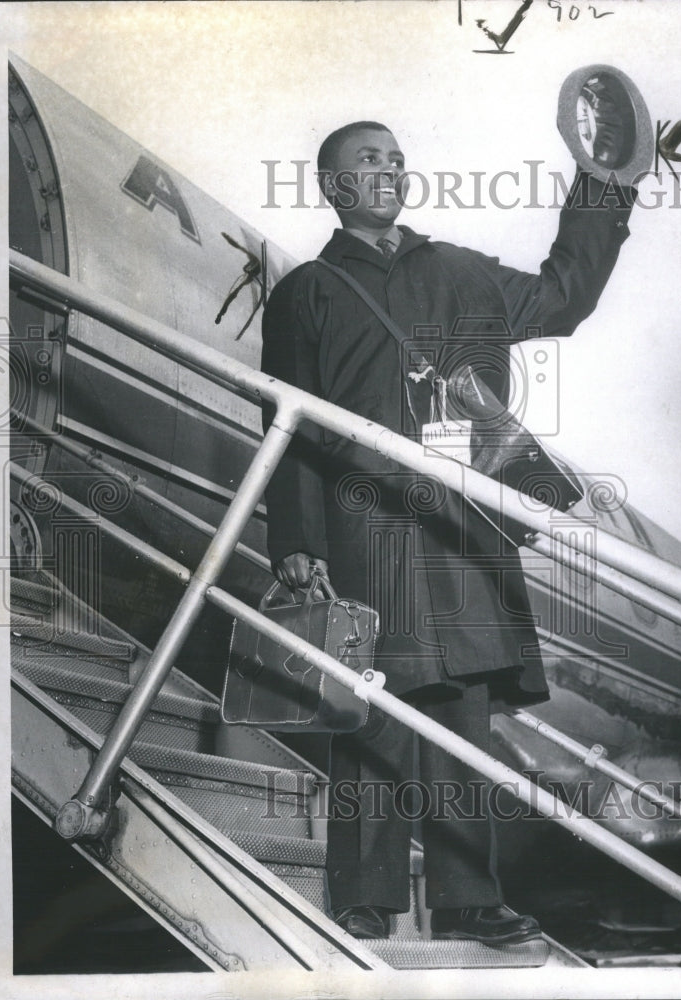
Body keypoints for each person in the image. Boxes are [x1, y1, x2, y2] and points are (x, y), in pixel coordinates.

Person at [260, 121, 634, 942]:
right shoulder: (306, 293)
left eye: (396, 159)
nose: (389, 171)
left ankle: (471, 900)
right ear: (331, 187)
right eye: (367, 161)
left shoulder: (464, 272)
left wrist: (606, 182)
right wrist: (296, 538)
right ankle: (364, 895)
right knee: (370, 712)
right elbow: (287, 423)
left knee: (463, 716)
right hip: (364, 529)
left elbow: (564, 297)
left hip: (462, 527)